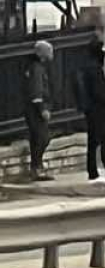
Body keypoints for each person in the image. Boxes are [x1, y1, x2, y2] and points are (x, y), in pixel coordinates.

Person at [74, 37, 105, 188]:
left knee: (93, 142)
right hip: (99, 110)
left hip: (91, 110)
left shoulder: (87, 67)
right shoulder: (94, 69)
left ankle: (93, 173)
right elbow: (99, 92)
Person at [24, 40, 53, 181]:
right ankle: (36, 167)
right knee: (42, 138)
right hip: (35, 109)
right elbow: (37, 90)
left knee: (38, 138)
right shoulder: (36, 68)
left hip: (33, 108)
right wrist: (42, 109)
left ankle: (37, 167)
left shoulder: (36, 66)